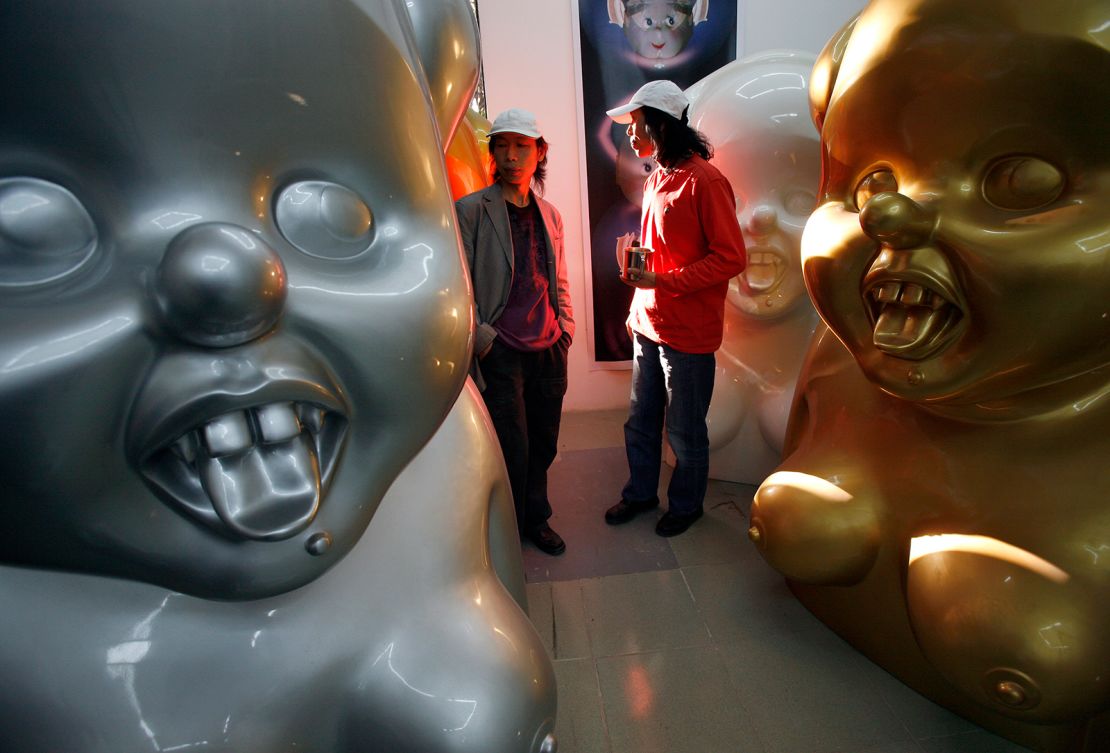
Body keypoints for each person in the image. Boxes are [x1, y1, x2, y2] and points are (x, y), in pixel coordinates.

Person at [603, 80, 747, 536]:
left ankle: (686, 506)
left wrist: (663, 282)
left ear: (658, 122)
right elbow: (654, 250)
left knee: (684, 430)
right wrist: (636, 290)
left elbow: (731, 258)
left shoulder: (706, 181)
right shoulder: (657, 177)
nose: (630, 133)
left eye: (635, 123)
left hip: (687, 334)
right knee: (640, 421)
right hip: (649, 323)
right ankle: (641, 494)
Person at [455, 108, 575, 556]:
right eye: (501, 145)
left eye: (521, 146)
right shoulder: (472, 210)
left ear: (539, 151)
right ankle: (513, 526)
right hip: (502, 350)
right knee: (513, 448)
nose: (511, 156)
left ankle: (534, 517)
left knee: (544, 442)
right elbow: (461, 282)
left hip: (549, 346)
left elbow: (558, 277)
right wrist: (483, 339)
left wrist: (566, 328)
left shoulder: (550, 214)